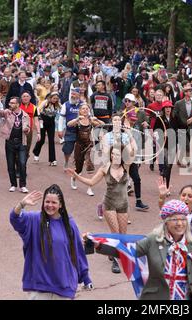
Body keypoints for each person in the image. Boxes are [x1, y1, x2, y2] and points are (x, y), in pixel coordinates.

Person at [86, 199, 192, 300]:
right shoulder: (153, 240)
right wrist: (99, 246)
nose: (179, 223)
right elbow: (127, 251)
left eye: (182, 219)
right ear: (166, 222)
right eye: (174, 219)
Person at [10, 184, 93, 300]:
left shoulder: (69, 223)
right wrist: (21, 204)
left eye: (54, 203)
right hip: (40, 289)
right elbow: (15, 219)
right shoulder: (34, 220)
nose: (50, 205)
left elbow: (77, 251)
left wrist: (85, 277)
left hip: (64, 287)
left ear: (61, 205)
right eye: (47, 202)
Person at [66, 138, 136, 274]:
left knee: (123, 235)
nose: (114, 156)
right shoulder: (105, 168)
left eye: (117, 154)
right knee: (115, 234)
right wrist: (76, 176)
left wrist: (129, 133)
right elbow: (91, 182)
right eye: (113, 154)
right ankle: (116, 260)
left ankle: (112, 253)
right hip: (109, 204)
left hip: (123, 205)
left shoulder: (126, 165)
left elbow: (134, 150)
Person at [0, 97, 31, 193]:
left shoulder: (25, 115)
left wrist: (27, 129)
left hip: (21, 142)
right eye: (10, 102)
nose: (10, 104)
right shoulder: (7, 112)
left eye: (12, 103)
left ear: (18, 104)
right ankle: (13, 184)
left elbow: (28, 127)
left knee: (22, 163)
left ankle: (23, 185)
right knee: (10, 164)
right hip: (10, 142)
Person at [66, 103, 104, 195]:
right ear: (80, 110)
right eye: (83, 109)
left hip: (89, 146)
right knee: (78, 168)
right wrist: (77, 119)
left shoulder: (91, 120)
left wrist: (97, 120)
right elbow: (69, 124)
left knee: (89, 165)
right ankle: (74, 177)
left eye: (87, 109)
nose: (85, 110)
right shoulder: (78, 120)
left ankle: (89, 188)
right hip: (79, 145)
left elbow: (103, 124)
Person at [173, 83, 192, 167]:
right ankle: (183, 160)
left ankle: (183, 159)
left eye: (191, 91)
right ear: (185, 93)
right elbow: (174, 115)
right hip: (182, 128)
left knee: (191, 146)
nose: (191, 92)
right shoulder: (178, 103)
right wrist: (184, 122)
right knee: (185, 145)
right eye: (189, 91)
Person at [153, 100, 178, 188]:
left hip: (173, 144)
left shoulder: (175, 118)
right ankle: (165, 185)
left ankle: (165, 182)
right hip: (163, 145)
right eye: (166, 107)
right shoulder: (159, 118)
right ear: (163, 109)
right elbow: (155, 131)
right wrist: (161, 134)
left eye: (169, 107)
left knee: (169, 167)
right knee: (166, 165)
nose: (168, 109)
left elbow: (179, 130)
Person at [32, 92, 61, 166]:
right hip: (43, 121)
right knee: (41, 140)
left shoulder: (57, 104)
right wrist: (39, 117)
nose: (55, 100)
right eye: (54, 98)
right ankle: (36, 152)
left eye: (56, 99)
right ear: (50, 97)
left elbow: (63, 109)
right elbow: (38, 109)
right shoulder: (46, 102)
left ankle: (53, 160)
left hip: (51, 123)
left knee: (51, 140)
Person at [58, 88, 82, 169]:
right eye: (72, 94)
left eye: (74, 94)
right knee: (67, 150)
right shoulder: (66, 104)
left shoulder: (83, 105)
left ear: (79, 95)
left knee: (80, 150)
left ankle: (78, 164)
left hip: (81, 131)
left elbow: (89, 117)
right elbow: (61, 118)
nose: (72, 95)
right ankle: (66, 161)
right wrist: (60, 130)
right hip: (70, 131)